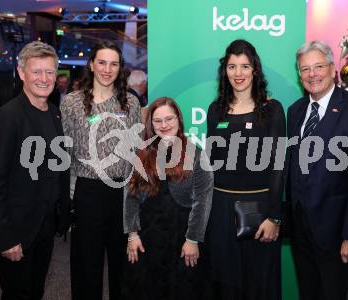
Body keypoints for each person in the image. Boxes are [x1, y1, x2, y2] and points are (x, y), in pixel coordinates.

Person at [286, 40, 348, 300]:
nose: (312, 74)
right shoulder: (295, 112)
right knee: (309, 292)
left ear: (332, 69)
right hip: (300, 227)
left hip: (336, 232)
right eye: (305, 69)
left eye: (318, 66)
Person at [0, 41, 71, 299]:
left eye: (50, 72)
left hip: (44, 224)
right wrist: (6, 237)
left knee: (35, 291)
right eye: (37, 71)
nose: (44, 78)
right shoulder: (8, 116)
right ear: (22, 73)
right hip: (15, 228)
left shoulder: (54, 113)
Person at [60, 41, 141, 300]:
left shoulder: (130, 102)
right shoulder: (71, 103)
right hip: (87, 192)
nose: (108, 69)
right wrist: (67, 198)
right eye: (102, 62)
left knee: (123, 265)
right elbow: (65, 151)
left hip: (122, 192)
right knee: (86, 267)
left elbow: (137, 149)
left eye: (114, 64)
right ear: (92, 65)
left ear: (120, 68)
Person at [205, 39, 286, 300]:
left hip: (259, 209)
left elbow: (277, 166)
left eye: (244, 66)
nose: (238, 73)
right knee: (224, 281)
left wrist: (274, 217)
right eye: (232, 66)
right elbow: (210, 162)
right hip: (219, 209)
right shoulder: (216, 110)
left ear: (255, 70)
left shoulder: (272, 110)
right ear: (224, 70)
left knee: (259, 283)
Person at [123, 97, 213, 300]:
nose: (164, 125)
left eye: (169, 119)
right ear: (150, 124)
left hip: (183, 238)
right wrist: (132, 235)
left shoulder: (197, 154)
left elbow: (203, 200)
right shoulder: (138, 155)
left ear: (179, 120)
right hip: (146, 239)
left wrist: (192, 239)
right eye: (158, 121)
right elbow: (130, 198)